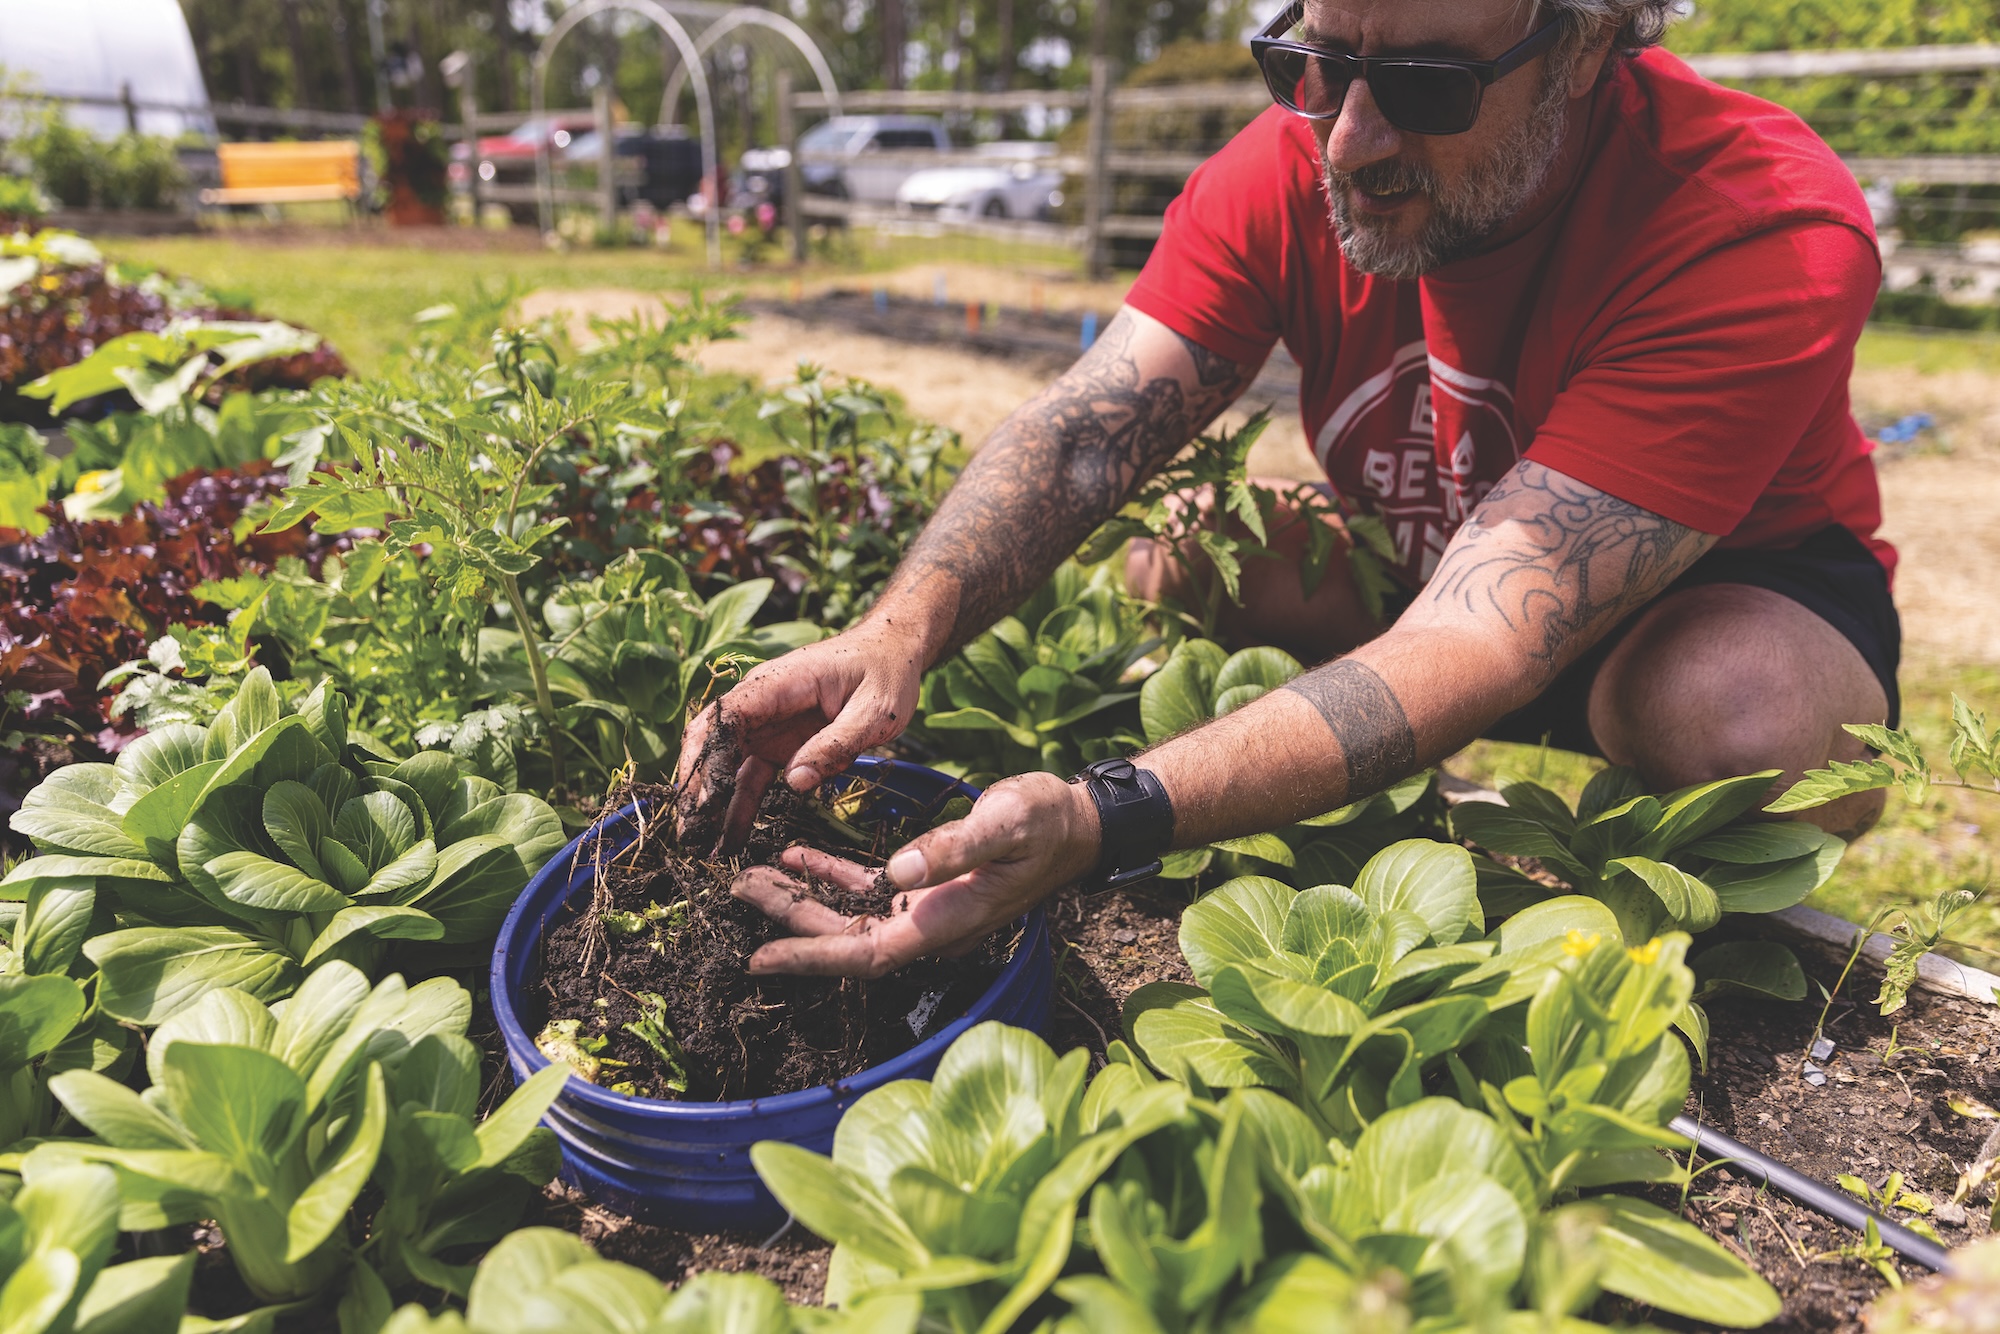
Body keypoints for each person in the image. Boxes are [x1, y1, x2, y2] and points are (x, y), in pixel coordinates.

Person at [675, 0, 1899, 978]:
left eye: (1425, 85)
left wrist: (1104, 815)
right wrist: (896, 633)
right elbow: (1086, 436)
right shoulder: (1293, 158)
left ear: (1582, 45)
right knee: (1183, 550)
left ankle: (1655, 817)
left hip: (1709, 587)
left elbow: (1488, 629)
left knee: (1744, 718)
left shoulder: (1751, 222)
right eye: (1316, 62)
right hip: (1439, 558)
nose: (1352, 140)